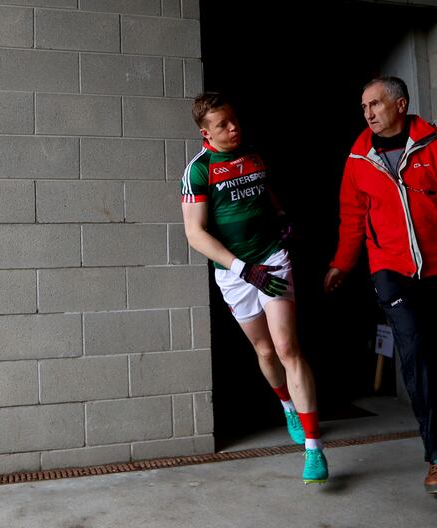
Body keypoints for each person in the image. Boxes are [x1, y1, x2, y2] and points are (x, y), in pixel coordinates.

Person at [325, 76, 437, 495]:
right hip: (392, 270)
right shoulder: (359, 158)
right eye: (364, 106)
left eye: (375, 104)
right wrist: (341, 265)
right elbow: (352, 220)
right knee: (417, 356)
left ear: (400, 105)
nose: (368, 113)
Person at [181, 92, 328, 484]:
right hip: (235, 271)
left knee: (286, 347)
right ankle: (288, 407)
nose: (234, 128)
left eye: (235, 121)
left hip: (271, 258)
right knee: (264, 350)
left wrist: (280, 217)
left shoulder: (253, 156)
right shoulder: (198, 170)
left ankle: (313, 449)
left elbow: (264, 190)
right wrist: (246, 270)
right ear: (205, 133)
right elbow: (194, 235)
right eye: (224, 125)